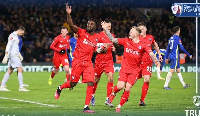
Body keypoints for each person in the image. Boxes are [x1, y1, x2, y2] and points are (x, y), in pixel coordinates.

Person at [54, 3, 107, 113]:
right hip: (77, 62)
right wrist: (68, 15)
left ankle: (86, 107)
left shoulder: (95, 39)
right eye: (88, 23)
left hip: (88, 63)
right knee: (73, 83)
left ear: (95, 27)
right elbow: (71, 25)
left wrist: (102, 50)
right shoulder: (81, 32)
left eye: (91, 24)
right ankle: (60, 87)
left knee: (91, 82)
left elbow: (97, 50)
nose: (89, 25)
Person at [101, 21, 160, 113]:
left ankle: (119, 106)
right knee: (120, 86)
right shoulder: (126, 41)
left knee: (128, 88)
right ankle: (113, 94)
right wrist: (105, 29)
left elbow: (151, 53)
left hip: (135, 71)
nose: (130, 32)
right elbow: (113, 39)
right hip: (124, 69)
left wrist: (156, 60)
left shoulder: (143, 45)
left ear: (136, 34)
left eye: (131, 31)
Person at [137, 22, 163, 106]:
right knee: (131, 81)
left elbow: (155, 45)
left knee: (147, 80)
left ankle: (142, 100)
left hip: (148, 62)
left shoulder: (150, 37)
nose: (141, 30)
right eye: (140, 29)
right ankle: (125, 94)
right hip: (137, 63)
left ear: (146, 29)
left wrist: (159, 54)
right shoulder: (136, 38)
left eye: (142, 29)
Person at [90, 20, 115, 107]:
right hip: (99, 61)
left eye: (110, 27)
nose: (109, 28)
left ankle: (108, 99)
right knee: (96, 80)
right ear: (103, 27)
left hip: (109, 61)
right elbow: (95, 48)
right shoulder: (98, 35)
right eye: (107, 26)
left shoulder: (112, 36)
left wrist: (113, 48)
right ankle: (92, 96)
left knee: (111, 78)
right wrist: (102, 47)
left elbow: (113, 44)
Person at [0, 26, 29, 92]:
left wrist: (19, 54)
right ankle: (21, 87)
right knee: (20, 69)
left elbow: (15, 47)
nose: (22, 35)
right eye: (22, 33)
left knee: (10, 70)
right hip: (13, 55)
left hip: (15, 54)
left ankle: (2, 86)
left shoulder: (16, 36)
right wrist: (6, 55)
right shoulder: (13, 35)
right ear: (20, 31)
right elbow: (8, 45)